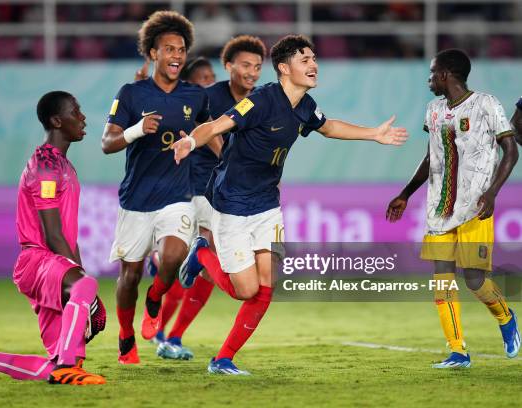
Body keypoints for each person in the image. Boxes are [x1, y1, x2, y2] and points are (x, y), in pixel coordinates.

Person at [173, 35, 408, 375]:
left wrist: (373, 133)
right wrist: (192, 140)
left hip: (268, 205)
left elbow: (329, 128)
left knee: (267, 287)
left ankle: (223, 359)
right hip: (232, 205)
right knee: (246, 291)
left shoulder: (305, 105)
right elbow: (218, 125)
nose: (313, 64)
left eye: (313, 57)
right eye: (304, 59)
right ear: (284, 68)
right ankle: (202, 255)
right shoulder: (260, 101)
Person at [0, 91, 106, 385]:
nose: (83, 117)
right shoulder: (46, 165)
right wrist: (84, 287)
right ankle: (67, 367)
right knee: (85, 289)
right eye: (75, 111)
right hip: (38, 261)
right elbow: (52, 235)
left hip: (51, 265)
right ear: (56, 120)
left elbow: (66, 236)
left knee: (52, 367)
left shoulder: (62, 164)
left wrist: (83, 291)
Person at [386, 49, 520, 368]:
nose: (429, 79)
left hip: (475, 207)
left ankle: (506, 317)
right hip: (439, 210)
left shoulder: (487, 104)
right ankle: (458, 351)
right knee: (442, 282)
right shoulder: (433, 110)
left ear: (446, 74)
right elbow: (432, 156)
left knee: (475, 280)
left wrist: (492, 192)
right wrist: (405, 193)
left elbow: (511, 151)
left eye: (432, 73)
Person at [101, 10, 213, 364]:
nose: (177, 56)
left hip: (176, 197)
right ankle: (125, 336)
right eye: (169, 49)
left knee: (174, 256)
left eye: (181, 49)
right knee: (129, 275)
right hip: (136, 199)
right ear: (152, 54)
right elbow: (107, 142)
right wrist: (136, 130)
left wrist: (231, 165)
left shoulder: (196, 96)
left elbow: (210, 134)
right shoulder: (132, 93)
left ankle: (156, 299)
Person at [157, 35, 267, 361]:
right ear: (229, 66)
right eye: (246, 65)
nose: (252, 72)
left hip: (241, 190)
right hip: (200, 186)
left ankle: (172, 335)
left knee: (207, 266)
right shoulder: (209, 96)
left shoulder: (262, 99)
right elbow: (197, 125)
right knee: (190, 256)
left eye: (258, 67)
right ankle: (163, 330)